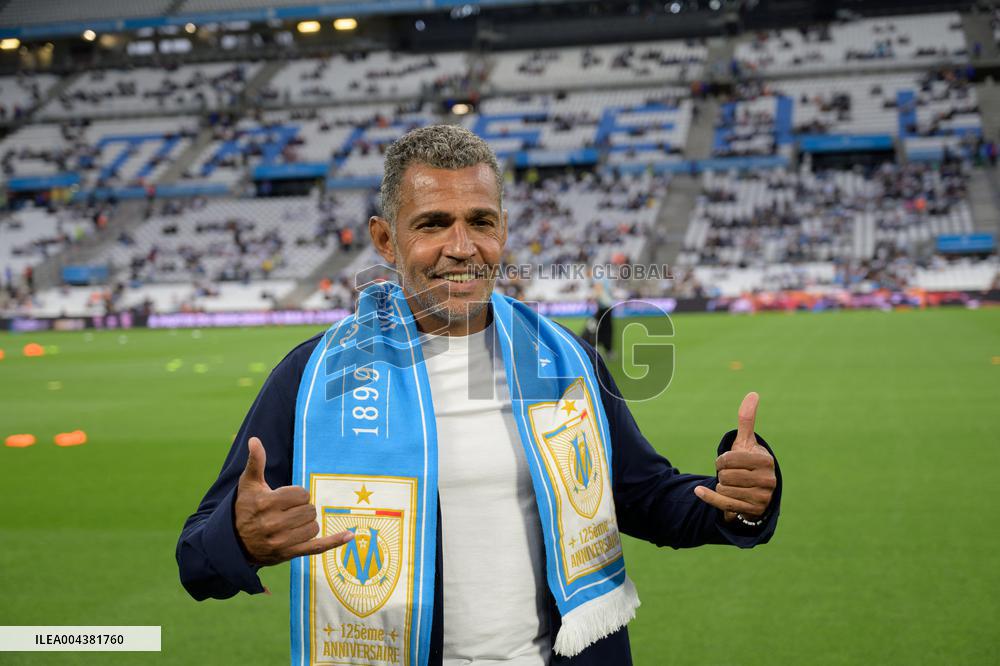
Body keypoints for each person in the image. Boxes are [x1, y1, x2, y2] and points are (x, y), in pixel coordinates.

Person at [176, 125, 782, 665]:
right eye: (433, 224)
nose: (461, 247)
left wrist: (740, 502)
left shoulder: (565, 359)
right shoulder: (313, 377)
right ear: (386, 241)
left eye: (480, 222)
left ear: (504, 230)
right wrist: (238, 537)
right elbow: (196, 558)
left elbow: (644, 496)